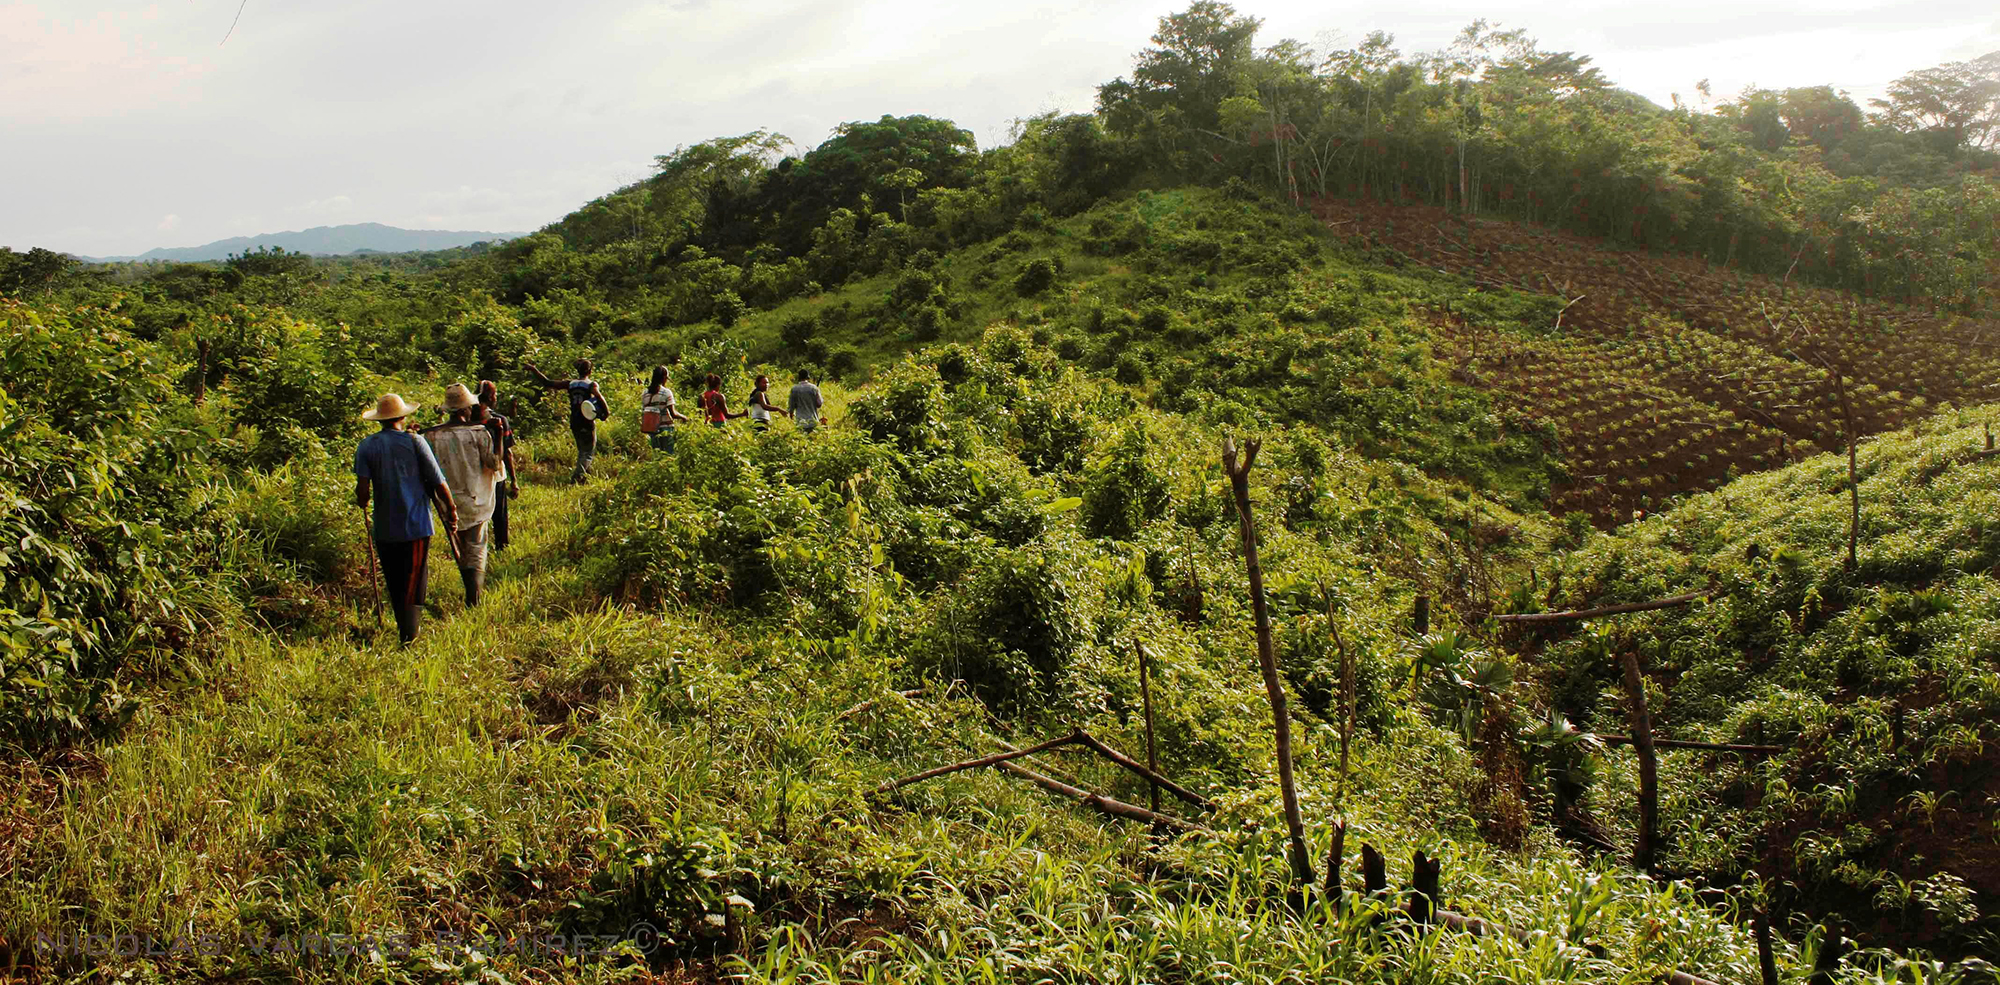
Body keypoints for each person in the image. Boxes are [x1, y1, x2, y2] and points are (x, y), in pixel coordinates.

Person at [354, 392, 457, 645]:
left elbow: (363, 491)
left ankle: (405, 627)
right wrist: (451, 509)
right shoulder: (415, 442)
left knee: (394, 576)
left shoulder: (367, 446)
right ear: (402, 416)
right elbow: (438, 481)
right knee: (415, 577)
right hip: (416, 524)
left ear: (380, 419)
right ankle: (409, 634)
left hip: (385, 525)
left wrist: (363, 502)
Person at [422, 384, 503, 607]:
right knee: (476, 546)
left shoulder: (431, 436)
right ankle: (473, 597)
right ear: (466, 410)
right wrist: (498, 437)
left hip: (447, 500)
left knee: (458, 545)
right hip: (476, 498)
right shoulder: (478, 433)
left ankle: (470, 590)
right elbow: (494, 464)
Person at [524, 357, 609, 483]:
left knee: (582, 451)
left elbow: (547, 382)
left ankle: (585, 478)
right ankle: (577, 477)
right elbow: (599, 397)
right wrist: (606, 413)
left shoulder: (570, 384)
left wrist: (533, 369)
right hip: (586, 421)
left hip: (574, 421)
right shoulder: (591, 385)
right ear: (590, 371)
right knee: (588, 451)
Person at [476, 380, 517, 552]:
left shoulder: (466, 419)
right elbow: (506, 453)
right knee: (499, 514)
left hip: (474, 475)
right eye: (495, 394)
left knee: (478, 516)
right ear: (491, 397)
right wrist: (514, 481)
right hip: (495, 474)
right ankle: (501, 546)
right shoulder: (499, 421)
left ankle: (479, 548)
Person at [640, 364, 688, 453]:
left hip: (652, 429)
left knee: (657, 455)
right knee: (669, 455)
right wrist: (684, 417)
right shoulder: (666, 392)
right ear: (664, 378)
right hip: (666, 428)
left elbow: (643, 411)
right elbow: (673, 414)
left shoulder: (645, 393)